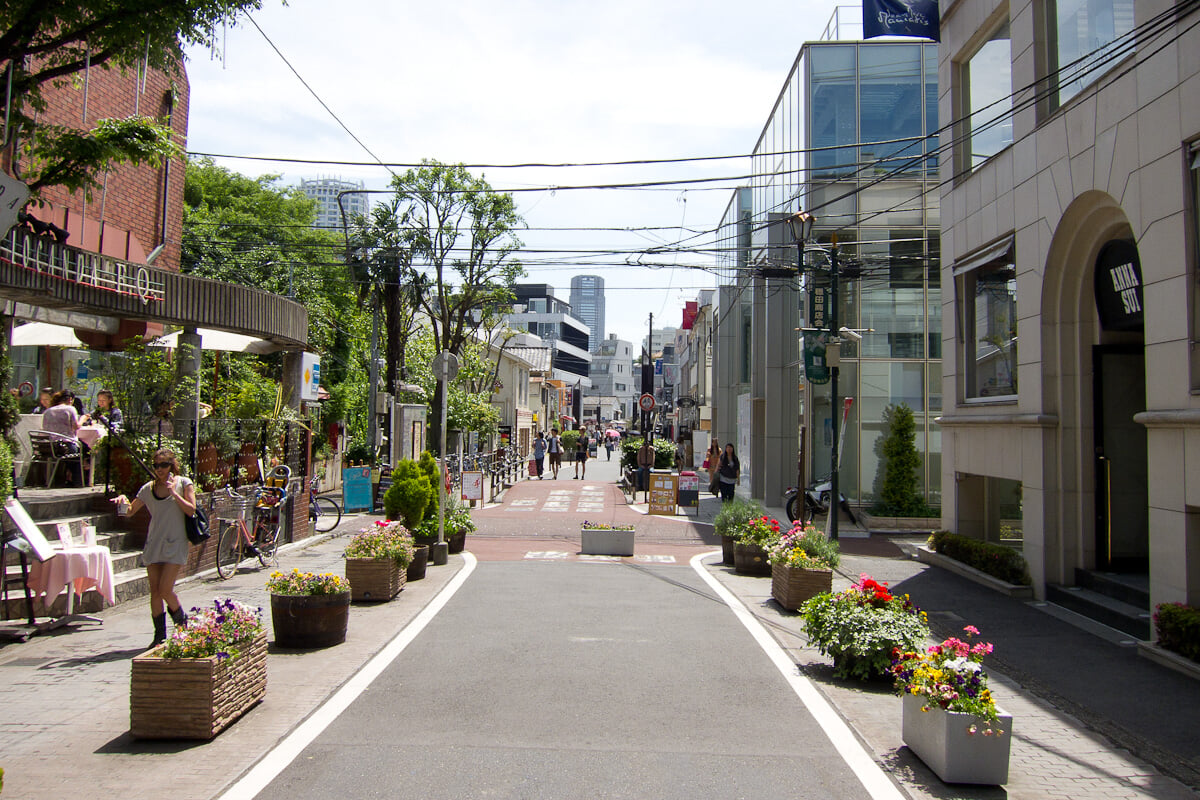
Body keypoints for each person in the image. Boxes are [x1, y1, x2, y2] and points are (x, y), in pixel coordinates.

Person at [111, 449, 196, 648]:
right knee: (155, 592)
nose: (159, 469)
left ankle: (184, 626)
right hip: (155, 543)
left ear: (172, 465)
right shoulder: (148, 489)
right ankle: (160, 636)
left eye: (164, 465)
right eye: (156, 465)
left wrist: (174, 492)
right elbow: (130, 512)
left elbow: (191, 510)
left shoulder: (184, 483)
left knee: (166, 589)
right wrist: (122, 501)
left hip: (175, 543)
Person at [41, 390, 83, 485]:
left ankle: (67, 479)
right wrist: (83, 419)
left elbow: (44, 428)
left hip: (50, 446)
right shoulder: (70, 409)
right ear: (69, 400)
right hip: (66, 446)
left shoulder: (48, 411)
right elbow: (76, 426)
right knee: (82, 450)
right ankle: (78, 482)